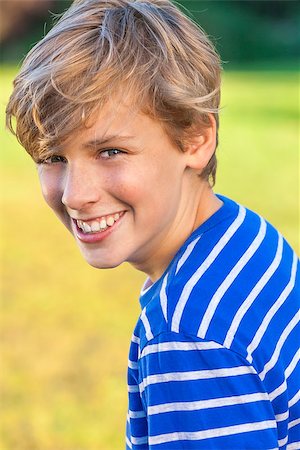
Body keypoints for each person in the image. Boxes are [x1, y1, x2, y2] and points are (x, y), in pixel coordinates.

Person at [6, 0, 299, 448]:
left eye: (110, 151)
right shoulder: (244, 235)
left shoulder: (186, 335)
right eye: (53, 157)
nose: (74, 194)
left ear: (196, 139)